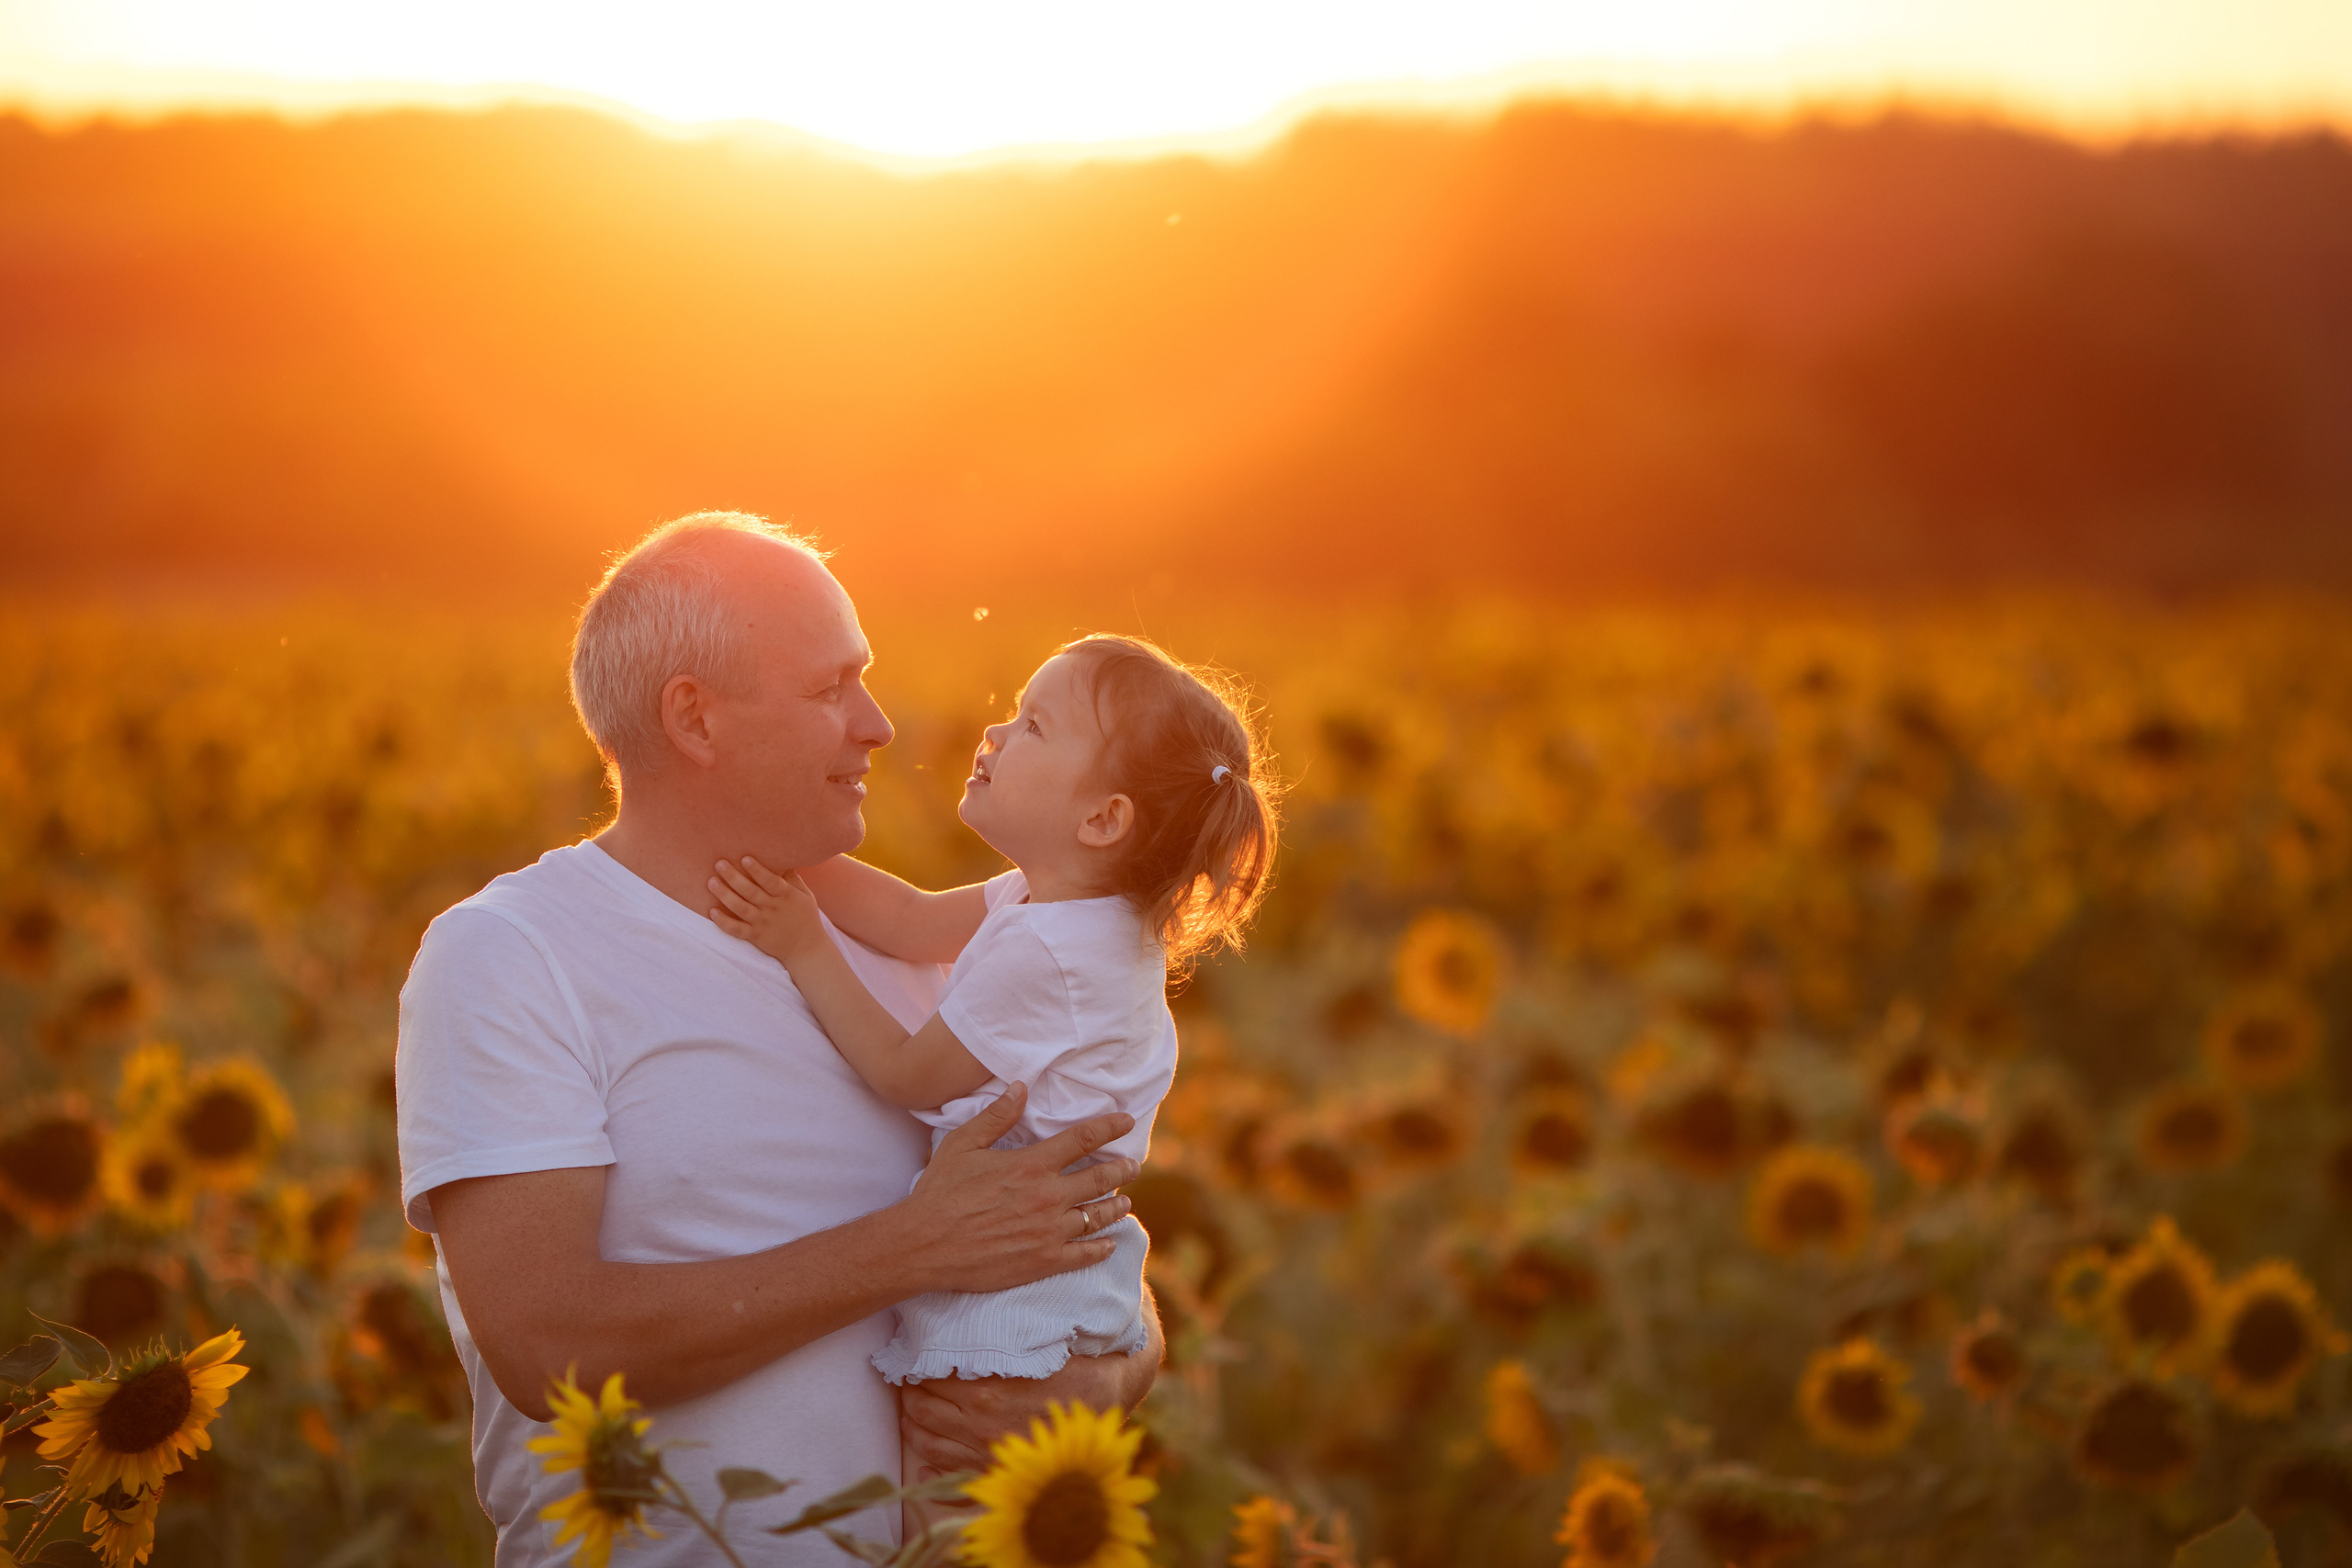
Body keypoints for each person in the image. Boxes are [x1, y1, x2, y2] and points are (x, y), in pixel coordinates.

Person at [395, 513, 1159, 1566]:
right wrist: (910, 1249)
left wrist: (1107, 1376)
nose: (879, 724)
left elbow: (1073, 1228)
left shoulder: (933, 956)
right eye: (829, 688)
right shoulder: (513, 954)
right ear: (695, 721)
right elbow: (546, 1343)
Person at [704, 634, 1276, 1510]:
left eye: (1035, 724)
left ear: (1102, 819)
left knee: (945, 1511)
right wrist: (787, 844)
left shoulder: (1051, 954)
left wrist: (798, 937)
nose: (995, 732)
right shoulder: (1069, 910)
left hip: (1015, 1297)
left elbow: (905, 1073)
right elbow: (908, 916)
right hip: (1070, 1267)